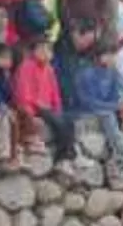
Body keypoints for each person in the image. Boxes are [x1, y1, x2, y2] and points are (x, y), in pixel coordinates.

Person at [13, 36, 76, 173]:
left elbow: (55, 93)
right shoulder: (26, 66)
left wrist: (58, 109)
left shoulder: (49, 69)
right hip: (35, 107)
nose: (45, 52)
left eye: (48, 49)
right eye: (41, 49)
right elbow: (23, 93)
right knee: (59, 123)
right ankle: (63, 158)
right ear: (33, 51)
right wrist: (31, 111)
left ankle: (66, 156)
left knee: (68, 121)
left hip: (48, 108)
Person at [74, 42, 123, 169]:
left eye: (113, 55)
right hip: (85, 109)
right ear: (99, 57)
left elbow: (114, 96)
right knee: (108, 115)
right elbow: (89, 101)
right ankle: (121, 153)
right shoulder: (87, 74)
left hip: (105, 108)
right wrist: (113, 107)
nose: (112, 58)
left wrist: (120, 106)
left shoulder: (112, 73)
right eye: (109, 55)